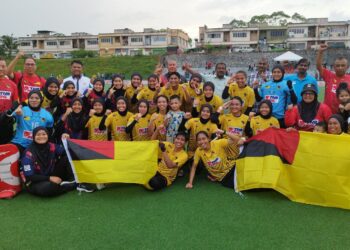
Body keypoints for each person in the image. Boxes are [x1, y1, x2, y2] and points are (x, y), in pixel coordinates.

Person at [21, 127, 76, 197]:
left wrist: (66, 140)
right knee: (48, 188)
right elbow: (29, 176)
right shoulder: (28, 153)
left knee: (67, 157)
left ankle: (74, 179)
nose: (41, 136)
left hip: (51, 174)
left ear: (48, 135)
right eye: (38, 135)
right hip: (35, 181)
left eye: (44, 134)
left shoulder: (51, 146)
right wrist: (49, 178)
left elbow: (67, 152)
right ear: (33, 137)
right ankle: (70, 185)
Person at [316, 44, 350, 113]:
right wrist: (320, 52)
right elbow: (319, 66)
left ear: (347, 67)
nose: (340, 67)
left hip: (345, 112)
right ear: (334, 67)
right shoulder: (329, 75)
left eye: (343, 65)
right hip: (328, 112)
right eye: (338, 65)